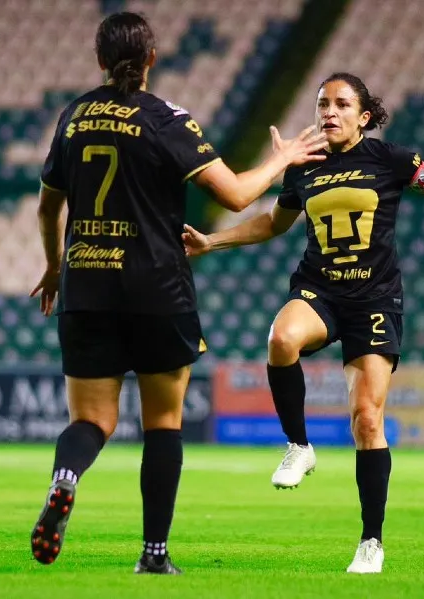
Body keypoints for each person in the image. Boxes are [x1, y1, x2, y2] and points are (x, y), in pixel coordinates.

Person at [183, 72, 424, 574]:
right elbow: (274, 224)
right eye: (323, 103)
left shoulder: (391, 160)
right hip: (319, 288)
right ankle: (299, 446)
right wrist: (214, 241)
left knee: (367, 419)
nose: (329, 112)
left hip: (375, 300)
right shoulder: (305, 169)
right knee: (281, 338)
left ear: (364, 116)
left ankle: (371, 542)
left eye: (342, 104)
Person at [28, 12, 327, 574]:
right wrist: (282, 160)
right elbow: (238, 196)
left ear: (99, 59)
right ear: (151, 60)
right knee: (163, 424)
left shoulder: (73, 117)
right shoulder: (166, 119)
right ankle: (153, 555)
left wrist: (53, 267)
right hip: (156, 288)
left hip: (86, 284)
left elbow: (49, 206)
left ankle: (65, 479)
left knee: (91, 421)